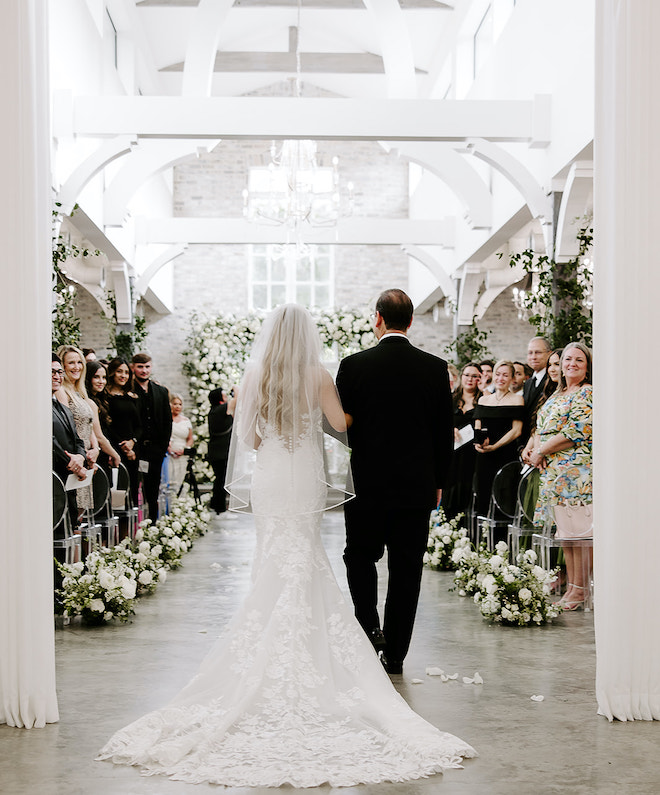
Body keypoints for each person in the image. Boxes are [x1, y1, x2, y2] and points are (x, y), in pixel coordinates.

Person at [97, 303, 476, 786]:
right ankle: (347, 643)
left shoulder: (254, 374)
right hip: (306, 476)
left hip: (273, 474)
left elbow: (251, 440)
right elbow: (340, 423)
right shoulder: (319, 373)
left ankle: (272, 630)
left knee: (274, 555)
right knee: (311, 552)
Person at [336, 289, 454, 676]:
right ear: (411, 321)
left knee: (359, 556)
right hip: (416, 486)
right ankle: (397, 653)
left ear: (377, 319)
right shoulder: (435, 368)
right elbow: (443, 432)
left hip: (366, 483)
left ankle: (370, 630)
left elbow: (341, 429)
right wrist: (439, 482)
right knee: (407, 570)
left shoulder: (353, 365)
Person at [528, 342, 593, 610]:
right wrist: (534, 448)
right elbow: (541, 427)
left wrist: (541, 450)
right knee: (566, 535)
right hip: (554, 474)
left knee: (580, 535)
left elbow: (577, 431)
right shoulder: (557, 394)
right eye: (568, 359)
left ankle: (581, 589)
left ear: (588, 366)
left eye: (579, 360)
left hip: (576, 472)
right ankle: (572, 588)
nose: (571, 364)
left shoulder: (587, 393)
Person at [472, 360, 524, 519]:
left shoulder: (517, 399)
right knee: (482, 495)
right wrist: (478, 444)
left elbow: (516, 430)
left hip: (505, 454)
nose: (500, 378)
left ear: (511, 378)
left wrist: (496, 446)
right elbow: (478, 427)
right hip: (484, 455)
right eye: (498, 374)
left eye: (505, 375)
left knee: (504, 495)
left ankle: (502, 541)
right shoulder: (483, 399)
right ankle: (481, 540)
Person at [130, 353, 172, 521]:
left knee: (153, 490)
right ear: (133, 368)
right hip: (136, 449)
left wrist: (162, 448)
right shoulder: (129, 389)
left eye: (147, 366)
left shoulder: (161, 391)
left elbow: (167, 422)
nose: (144, 370)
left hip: (155, 449)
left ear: (151, 367)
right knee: (133, 489)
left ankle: (153, 524)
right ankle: (134, 526)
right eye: (140, 367)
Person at [52, 353, 90, 529]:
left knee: (72, 525)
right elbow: (50, 440)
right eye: (51, 372)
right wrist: (72, 461)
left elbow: (78, 440)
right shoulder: (39, 406)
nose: (57, 376)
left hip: (70, 476)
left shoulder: (63, 408)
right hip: (55, 476)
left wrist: (80, 458)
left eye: (59, 372)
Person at [442, 362, 482, 522]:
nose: (470, 379)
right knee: (449, 495)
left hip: (472, 456)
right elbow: (437, 424)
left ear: (481, 378)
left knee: (468, 496)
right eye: (467, 375)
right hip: (452, 455)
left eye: (475, 376)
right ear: (461, 377)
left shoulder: (484, 401)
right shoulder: (450, 400)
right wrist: (449, 430)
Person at [105, 357, 142, 503]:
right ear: (112, 373)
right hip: (114, 450)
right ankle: (118, 525)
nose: (123, 375)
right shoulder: (106, 397)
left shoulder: (132, 397)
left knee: (132, 492)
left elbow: (139, 426)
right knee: (117, 496)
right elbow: (108, 426)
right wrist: (123, 446)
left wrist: (132, 442)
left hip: (132, 452)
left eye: (126, 372)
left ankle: (132, 526)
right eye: (119, 371)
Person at [207, 387, 236, 514]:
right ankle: (219, 507)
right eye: (224, 395)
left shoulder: (216, 411)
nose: (226, 397)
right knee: (221, 480)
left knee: (220, 479)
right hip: (220, 452)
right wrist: (236, 388)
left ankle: (216, 504)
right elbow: (237, 399)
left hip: (219, 451)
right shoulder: (219, 410)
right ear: (219, 399)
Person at [166, 394, 194, 496]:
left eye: (180, 404)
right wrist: (169, 448)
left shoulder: (186, 421)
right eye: (175, 404)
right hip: (169, 454)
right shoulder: (166, 419)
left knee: (181, 479)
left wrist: (184, 449)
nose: (177, 406)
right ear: (170, 405)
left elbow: (190, 439)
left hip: (182, 454)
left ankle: (181, 503)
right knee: (169, 478)